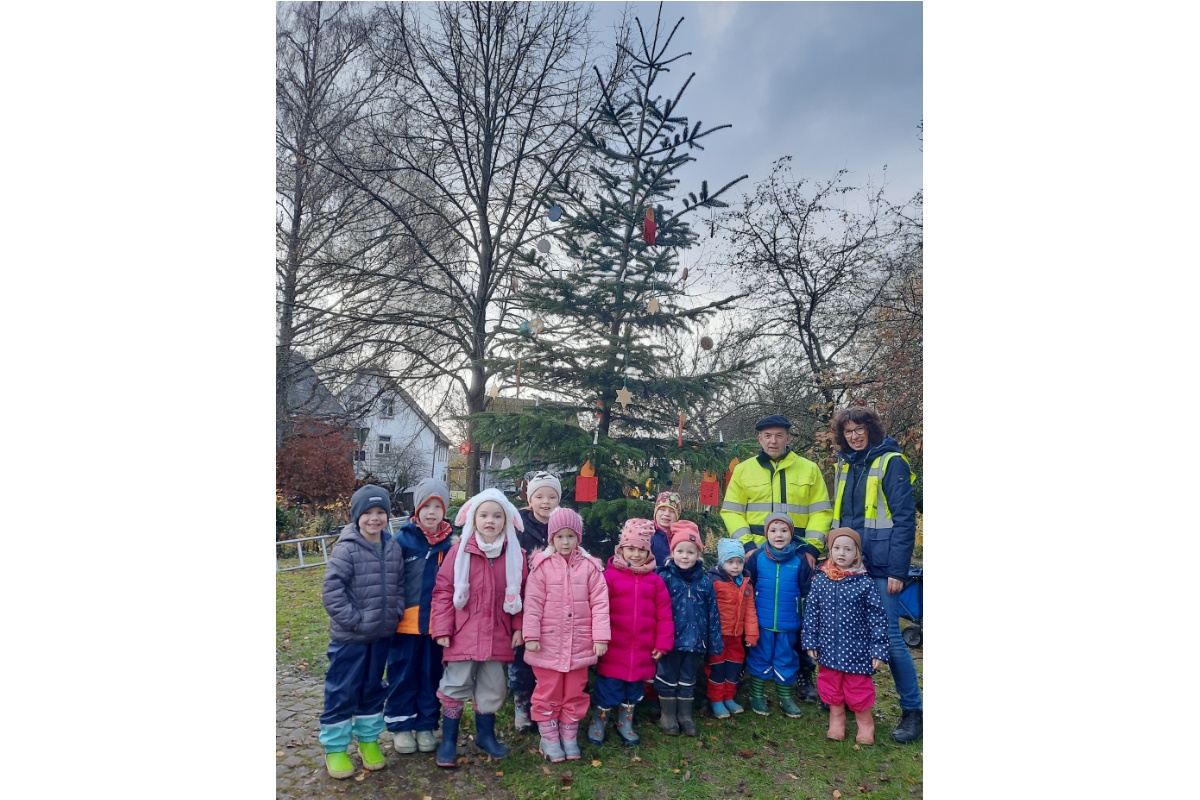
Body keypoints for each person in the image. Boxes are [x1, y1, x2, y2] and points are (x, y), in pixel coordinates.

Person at [721, 414, 832, 702]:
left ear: (788, 438)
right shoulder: (744, 471)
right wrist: (747, 545)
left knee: (800, 613)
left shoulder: (808, 470)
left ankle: (804, 673)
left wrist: (811, 548)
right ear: (759, 439)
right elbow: (731, 510)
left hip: (797, 555)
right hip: (757, 556)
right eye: (767, 435)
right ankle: (749, 668)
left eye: (779, 435)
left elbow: (821, 511)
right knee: (752, 609)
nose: (773, 440)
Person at [828, 406, 922, 743]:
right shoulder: (845, 464)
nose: (854, 436)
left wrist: (898, 569)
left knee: (892, 640)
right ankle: (845, 702)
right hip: (849, 563)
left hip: (882, 565)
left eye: (859, 429)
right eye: (848, 431)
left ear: (872, 429)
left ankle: (914, 711)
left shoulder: (891, 461)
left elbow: (904, 518)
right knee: (847, 630)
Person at [429, 488, 527, 768]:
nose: (490, 521)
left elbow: (522, 593)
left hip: (499, 634)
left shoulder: (515, 556)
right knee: (456, 684)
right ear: (473, 518)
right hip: (464, 633)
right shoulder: (460, 552)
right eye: (484, 515)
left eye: (497, 516)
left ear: (507, 521)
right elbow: (444, 590)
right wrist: (443, 627)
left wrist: (518, 627)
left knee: (492, 687)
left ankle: (486, 736)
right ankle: (448, 740)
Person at [318, 485, 405, 779]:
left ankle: (368, 742)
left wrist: (396, 613)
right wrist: (354, 620)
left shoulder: (392, 546)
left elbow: (399, 585)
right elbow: (332, 591)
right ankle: (336, 748)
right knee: (342, 691)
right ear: (357, 517)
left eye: (380, 512)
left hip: (381, 636)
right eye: (367, 513)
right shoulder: (347, 548)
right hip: (350, 639)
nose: (374, 518)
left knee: (372, 690)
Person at [522, 507, 611, 762]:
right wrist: (531, 635)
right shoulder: (542, 567)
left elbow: (600, 604)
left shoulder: (590, 568)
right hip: (547, 643)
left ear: (578, 538)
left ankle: (569, 735)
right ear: (551, 538)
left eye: (570, 536)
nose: (565, 542)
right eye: (559, 537)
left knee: (574, 690)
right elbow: (533, 604)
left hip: (580, 644)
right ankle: (549, 738)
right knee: (547, 691)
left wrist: (600, 638)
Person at [383, 478, 454, 755]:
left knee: (431, 677)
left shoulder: (451, 544)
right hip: (405, 626)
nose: (432, 512)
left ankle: (426, 726)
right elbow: (390, 580)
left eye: (438, 506)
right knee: (403, 676)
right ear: (417, 509)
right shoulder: (402, 540)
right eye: (427, 506)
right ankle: (401, 727)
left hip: (437, 626)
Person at [590, 518, 674, 746]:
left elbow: (664, 615)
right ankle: (599, 720)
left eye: (641, 550)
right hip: (614, 648)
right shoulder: (609, 578)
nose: (635, 555)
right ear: (621, 549)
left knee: (634, 689)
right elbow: (598, 609)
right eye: (631, 549)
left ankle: (625, 722)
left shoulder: (655, 582)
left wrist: (662, 643)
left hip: (642, 649)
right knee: (608, 688)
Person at [802, 528, 888, 744]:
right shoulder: (821, 579)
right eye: (837, 548)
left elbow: (877, 617)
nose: (842, 553)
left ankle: (865, 723)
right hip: (828, 647)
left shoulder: (864, 583)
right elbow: (812, 612)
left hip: (857, 650)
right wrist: (810, 640)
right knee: (830, 685)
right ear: (830, 551)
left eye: (848, 549)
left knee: (858, 687)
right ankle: (836, 719)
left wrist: (878, 648)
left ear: (856, 553)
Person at [742, 513, 815, 719]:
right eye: (773, 530)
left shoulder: (799, 561)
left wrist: (804, 615)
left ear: (791, 534)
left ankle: (785, 697)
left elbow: (806, 591)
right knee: (760, 656)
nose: (779, 535)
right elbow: (749, 585)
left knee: (786, 657)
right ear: (766, 534)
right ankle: (756, 694)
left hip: (788, 622)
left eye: (784, 530)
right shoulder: (757, 558)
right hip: (762, 622)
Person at [654, 521, 723, 736]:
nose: (685, 556)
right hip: (671, 641)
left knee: (688, 677)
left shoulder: (704, 582)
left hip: (696, 641)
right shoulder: (664, 577)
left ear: (698, 556)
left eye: (690, 552)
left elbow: (713, 613)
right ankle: (668, 715)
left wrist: (715, 642)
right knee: (668, 675)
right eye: (680, 551)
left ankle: (685, 715)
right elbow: (655, 610)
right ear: (672, 552)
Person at [510, 471, 562, 733]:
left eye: (551, 496)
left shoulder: (563, 526)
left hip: (554, 600)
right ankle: (521, 701)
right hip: (525, 597)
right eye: (539, 496)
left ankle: (545, 701)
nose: (545, 502)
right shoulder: (519, 526)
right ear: (530, 499)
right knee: (522, 654)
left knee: (547, 650)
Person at [705, 537, 760, 718]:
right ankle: (716, 699)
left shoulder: (746, 583)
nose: (736, 566)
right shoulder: (714, 582)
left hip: (737, 636)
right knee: (717, 667)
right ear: (722, 562)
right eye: (731, 562)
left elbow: (750, 609)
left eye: (739, 562)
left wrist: (751, 633)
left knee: (734, 666)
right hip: (718, 635)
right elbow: (708, 609)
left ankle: (729, 696)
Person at [649, 491, 681, 568]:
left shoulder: (680, 537)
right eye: (662, 509)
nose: (666, 514)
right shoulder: (648, 534)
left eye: (672, 511)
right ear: (656, 512)